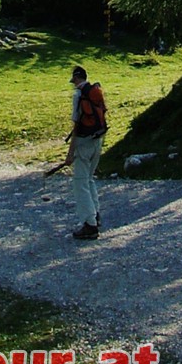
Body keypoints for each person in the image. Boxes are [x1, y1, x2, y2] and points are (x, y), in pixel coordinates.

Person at [61, 65, 108, 240]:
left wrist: (70, 153)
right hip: (98, 139)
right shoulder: (96, 91)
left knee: (80, 182)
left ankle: (89, 224)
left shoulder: (78, 96)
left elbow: (77, 125)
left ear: (75, 80)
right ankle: (95, 214)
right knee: (89, 178)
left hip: (83, 142)